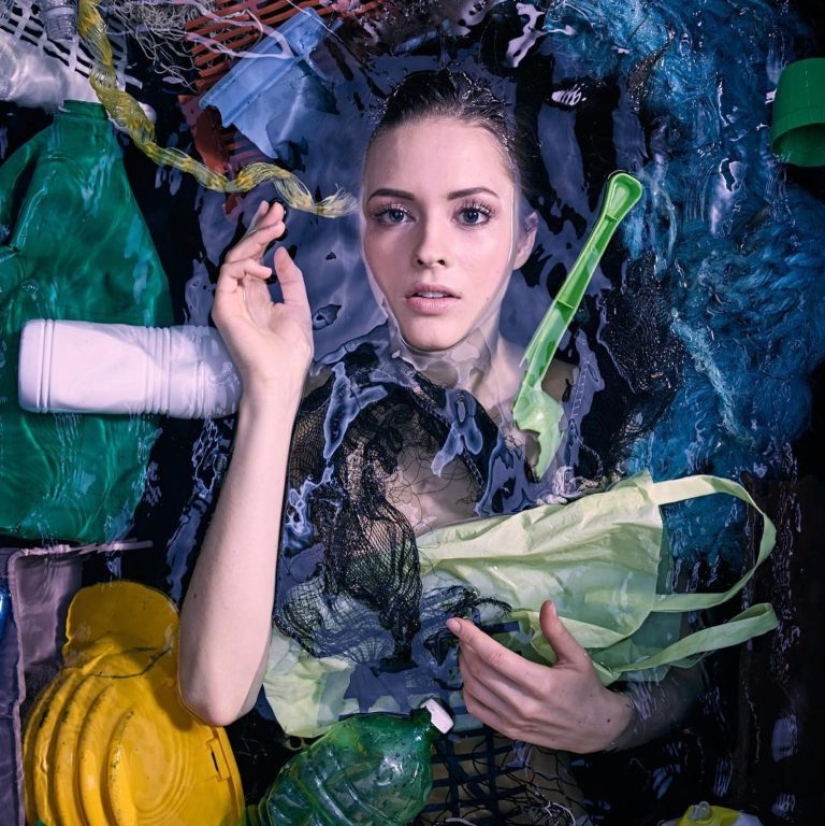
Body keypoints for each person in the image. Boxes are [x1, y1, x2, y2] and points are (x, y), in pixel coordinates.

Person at [178, 69, 703, 824]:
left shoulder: (600, 420)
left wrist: (608, 721)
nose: (430, 250)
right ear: (363, 232)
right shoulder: (320, 423)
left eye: (471, 215)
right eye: (396, 214)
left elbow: (686, 669)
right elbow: (214, 691)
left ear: (525, 236)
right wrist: (270, 389)